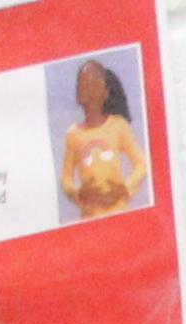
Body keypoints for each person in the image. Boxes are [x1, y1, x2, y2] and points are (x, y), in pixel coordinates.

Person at [57, 54, 145, 214]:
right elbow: (66, 179)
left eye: (90, 83)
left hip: (118, 212)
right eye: (80, 83)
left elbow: (141, 165)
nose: (82, 87)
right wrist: (79, 193)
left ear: (104, 92)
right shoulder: (74, 134)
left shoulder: (118, 126)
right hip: (90, 217)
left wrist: (124, 189)